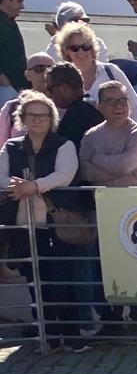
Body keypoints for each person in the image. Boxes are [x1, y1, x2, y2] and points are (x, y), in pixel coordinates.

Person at [3, 89, 86, 348]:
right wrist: (15, 185)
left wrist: (34, 186)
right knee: (33, 279)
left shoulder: (64, 145)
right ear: (22, 118)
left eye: (43, 115)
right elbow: (2, 176)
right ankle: (47, 333)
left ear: (51, 119)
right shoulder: (11, 147)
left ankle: (71, 336)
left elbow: (64, 175)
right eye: (32, 115)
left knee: (59, 277)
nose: (38, 120)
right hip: (23, 223)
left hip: (54, 222)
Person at [78, 81, 137, 336]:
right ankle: (111, 319)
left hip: (135, 211)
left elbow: (127, 165)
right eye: (111, 101)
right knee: (104, 266)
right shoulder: (91, 136)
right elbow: (85, 171)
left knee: (136, 265)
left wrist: (98, 161)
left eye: (122, 100)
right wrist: (109, 167)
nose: (119, 106)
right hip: (103, 210)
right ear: (100, 106)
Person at [52, 22, 137, 124]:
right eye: (75, 48)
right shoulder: (61, 78)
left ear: (92, 48)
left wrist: (125, 134)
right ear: (66, 50)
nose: (81, 52)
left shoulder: (111, 71)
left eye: (86, 46)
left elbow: (136, 108)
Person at [0, 55, 54, 144]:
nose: (46, 73)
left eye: (51, 69)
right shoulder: (12, 108)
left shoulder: (63, 104)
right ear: (27, 75)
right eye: (40, 69)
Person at [46, 64, 102, 148]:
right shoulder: (92, 103)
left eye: (49, 89)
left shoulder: (76, 116)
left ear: (64, 88)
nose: (48, 94)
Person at [0, 0, 26, 108]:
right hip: (6, 86)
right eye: (19, 1)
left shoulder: (9, 21)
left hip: (14, 85)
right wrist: (2, 78)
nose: (22, 6)